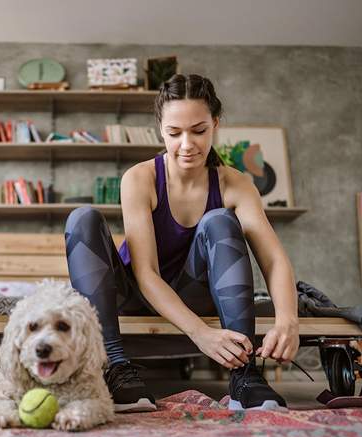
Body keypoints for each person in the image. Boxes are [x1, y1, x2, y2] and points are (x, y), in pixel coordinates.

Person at [65, 74, 299, 412]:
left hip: (193, 293)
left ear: (215, 124)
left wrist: (287, 321)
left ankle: (243, 376)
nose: (187, 144)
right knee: (81, 219)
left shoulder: (236, 184)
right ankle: (114, 365)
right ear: (161, 128)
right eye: (175, 133)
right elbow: (146, 274)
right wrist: (201, 334)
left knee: (218, 220)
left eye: (199, 131)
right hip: (134, 293)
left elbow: (274, 260)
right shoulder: (140, 178)